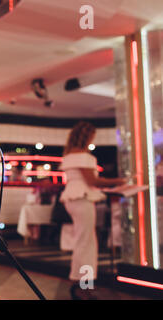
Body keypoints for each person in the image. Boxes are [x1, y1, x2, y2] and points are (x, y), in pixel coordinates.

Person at [60, 121, 124, 300]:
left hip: (73, 198)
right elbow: (93, 182)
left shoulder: (68, 155)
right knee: (86, 243)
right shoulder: (83, 156)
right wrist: (118, 181)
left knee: (83, 241)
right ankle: (84, 286)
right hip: (82, 199)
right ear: (88, 136)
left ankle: (80, 283)